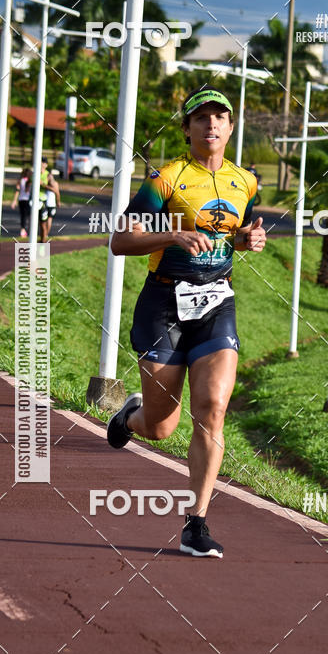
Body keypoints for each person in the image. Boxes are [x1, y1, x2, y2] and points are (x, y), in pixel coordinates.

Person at [107, 86, 266, 558]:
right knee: (160, 427)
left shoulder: (245, 181)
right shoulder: (166, 178)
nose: (210, 124)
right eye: (201, 117)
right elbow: (121, 241)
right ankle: (130, 416)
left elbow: (232, 235)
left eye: (220, 117)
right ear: (187, 128)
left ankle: (195, 523)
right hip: (163, 304)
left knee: (213, 407)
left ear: (231, 127)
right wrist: (171, 235)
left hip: (217, 304)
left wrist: (248, 240)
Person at [38, 159, 60, 243]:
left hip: (51, 204)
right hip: (46, 202)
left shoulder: (54, 183)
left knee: (48, 219)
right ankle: (44, 236)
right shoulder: (48, 181)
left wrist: (58, 201)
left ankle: (45, 235)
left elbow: (57, 192)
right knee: (44, 220)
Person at [11, 167, 32, 237]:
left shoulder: (20, 180)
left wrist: (14, 200)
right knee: (29, 216)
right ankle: (27, 230)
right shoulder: (30, 181)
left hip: (21, 200)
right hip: (28, 200)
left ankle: (23, 229)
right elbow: (27, 190)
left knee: (23, 216)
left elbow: (17, 191)